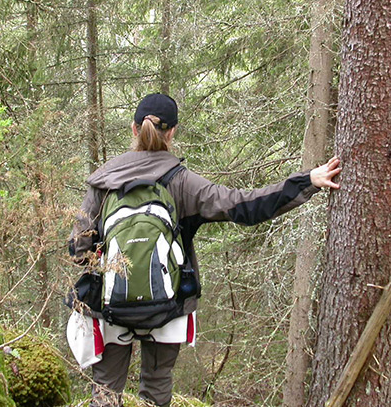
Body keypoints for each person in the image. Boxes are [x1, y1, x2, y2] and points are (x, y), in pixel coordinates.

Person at [69, 93, 340, 407]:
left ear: (133, 129)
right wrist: (306, 181)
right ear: (173, 132)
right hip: (169, 307)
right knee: (156, 390)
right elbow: (244, 205)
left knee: (105, 391)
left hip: (110, 304)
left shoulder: (102, 182)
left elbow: (78, 249)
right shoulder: (183, 182)